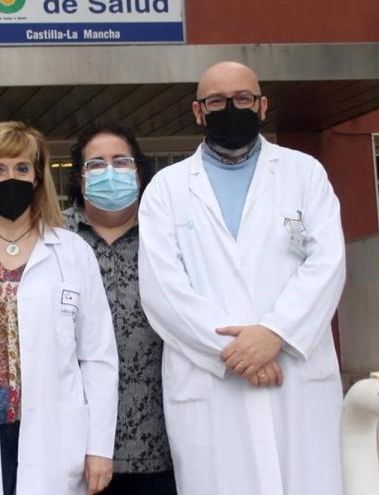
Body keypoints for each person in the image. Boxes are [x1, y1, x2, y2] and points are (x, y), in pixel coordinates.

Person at [137, 61, 347, 495]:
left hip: (294, 371)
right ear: (198, 111)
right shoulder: (166, 188)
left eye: (243, 99)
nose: (230, 108)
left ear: (262, 105)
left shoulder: (304, 173)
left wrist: (275, 332)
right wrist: (236, 352)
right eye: (216, 101)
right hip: (213, 381)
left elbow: (328, 264)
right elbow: (164, 291)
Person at [0, 121, 118, 495]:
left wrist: (98, 448)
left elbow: (97, 357)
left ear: (37, 177)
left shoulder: (72, 252)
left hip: (54, 435)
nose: (9, 178)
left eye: (21, 168)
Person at [65, 124, 177, 494]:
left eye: (121, 161)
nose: (109, 172)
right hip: (72, 445)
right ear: (80, 179)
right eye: (95, 164)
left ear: (139, 172)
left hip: (159, 442)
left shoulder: (168, 234)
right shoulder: (53, 236)